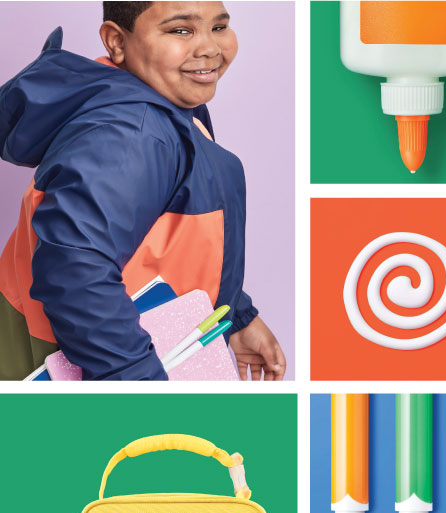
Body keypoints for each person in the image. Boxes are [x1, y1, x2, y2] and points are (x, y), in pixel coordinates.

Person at [0, 1, 285, 379]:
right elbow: (76, 273)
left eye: (218, 27)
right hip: (86, 361)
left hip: (133, 346)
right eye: (180, 30)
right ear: (117, 41)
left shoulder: (164, 101)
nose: (210, 49)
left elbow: (168, 239)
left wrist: (236, 314)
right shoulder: (132, 134)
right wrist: (141, 386)